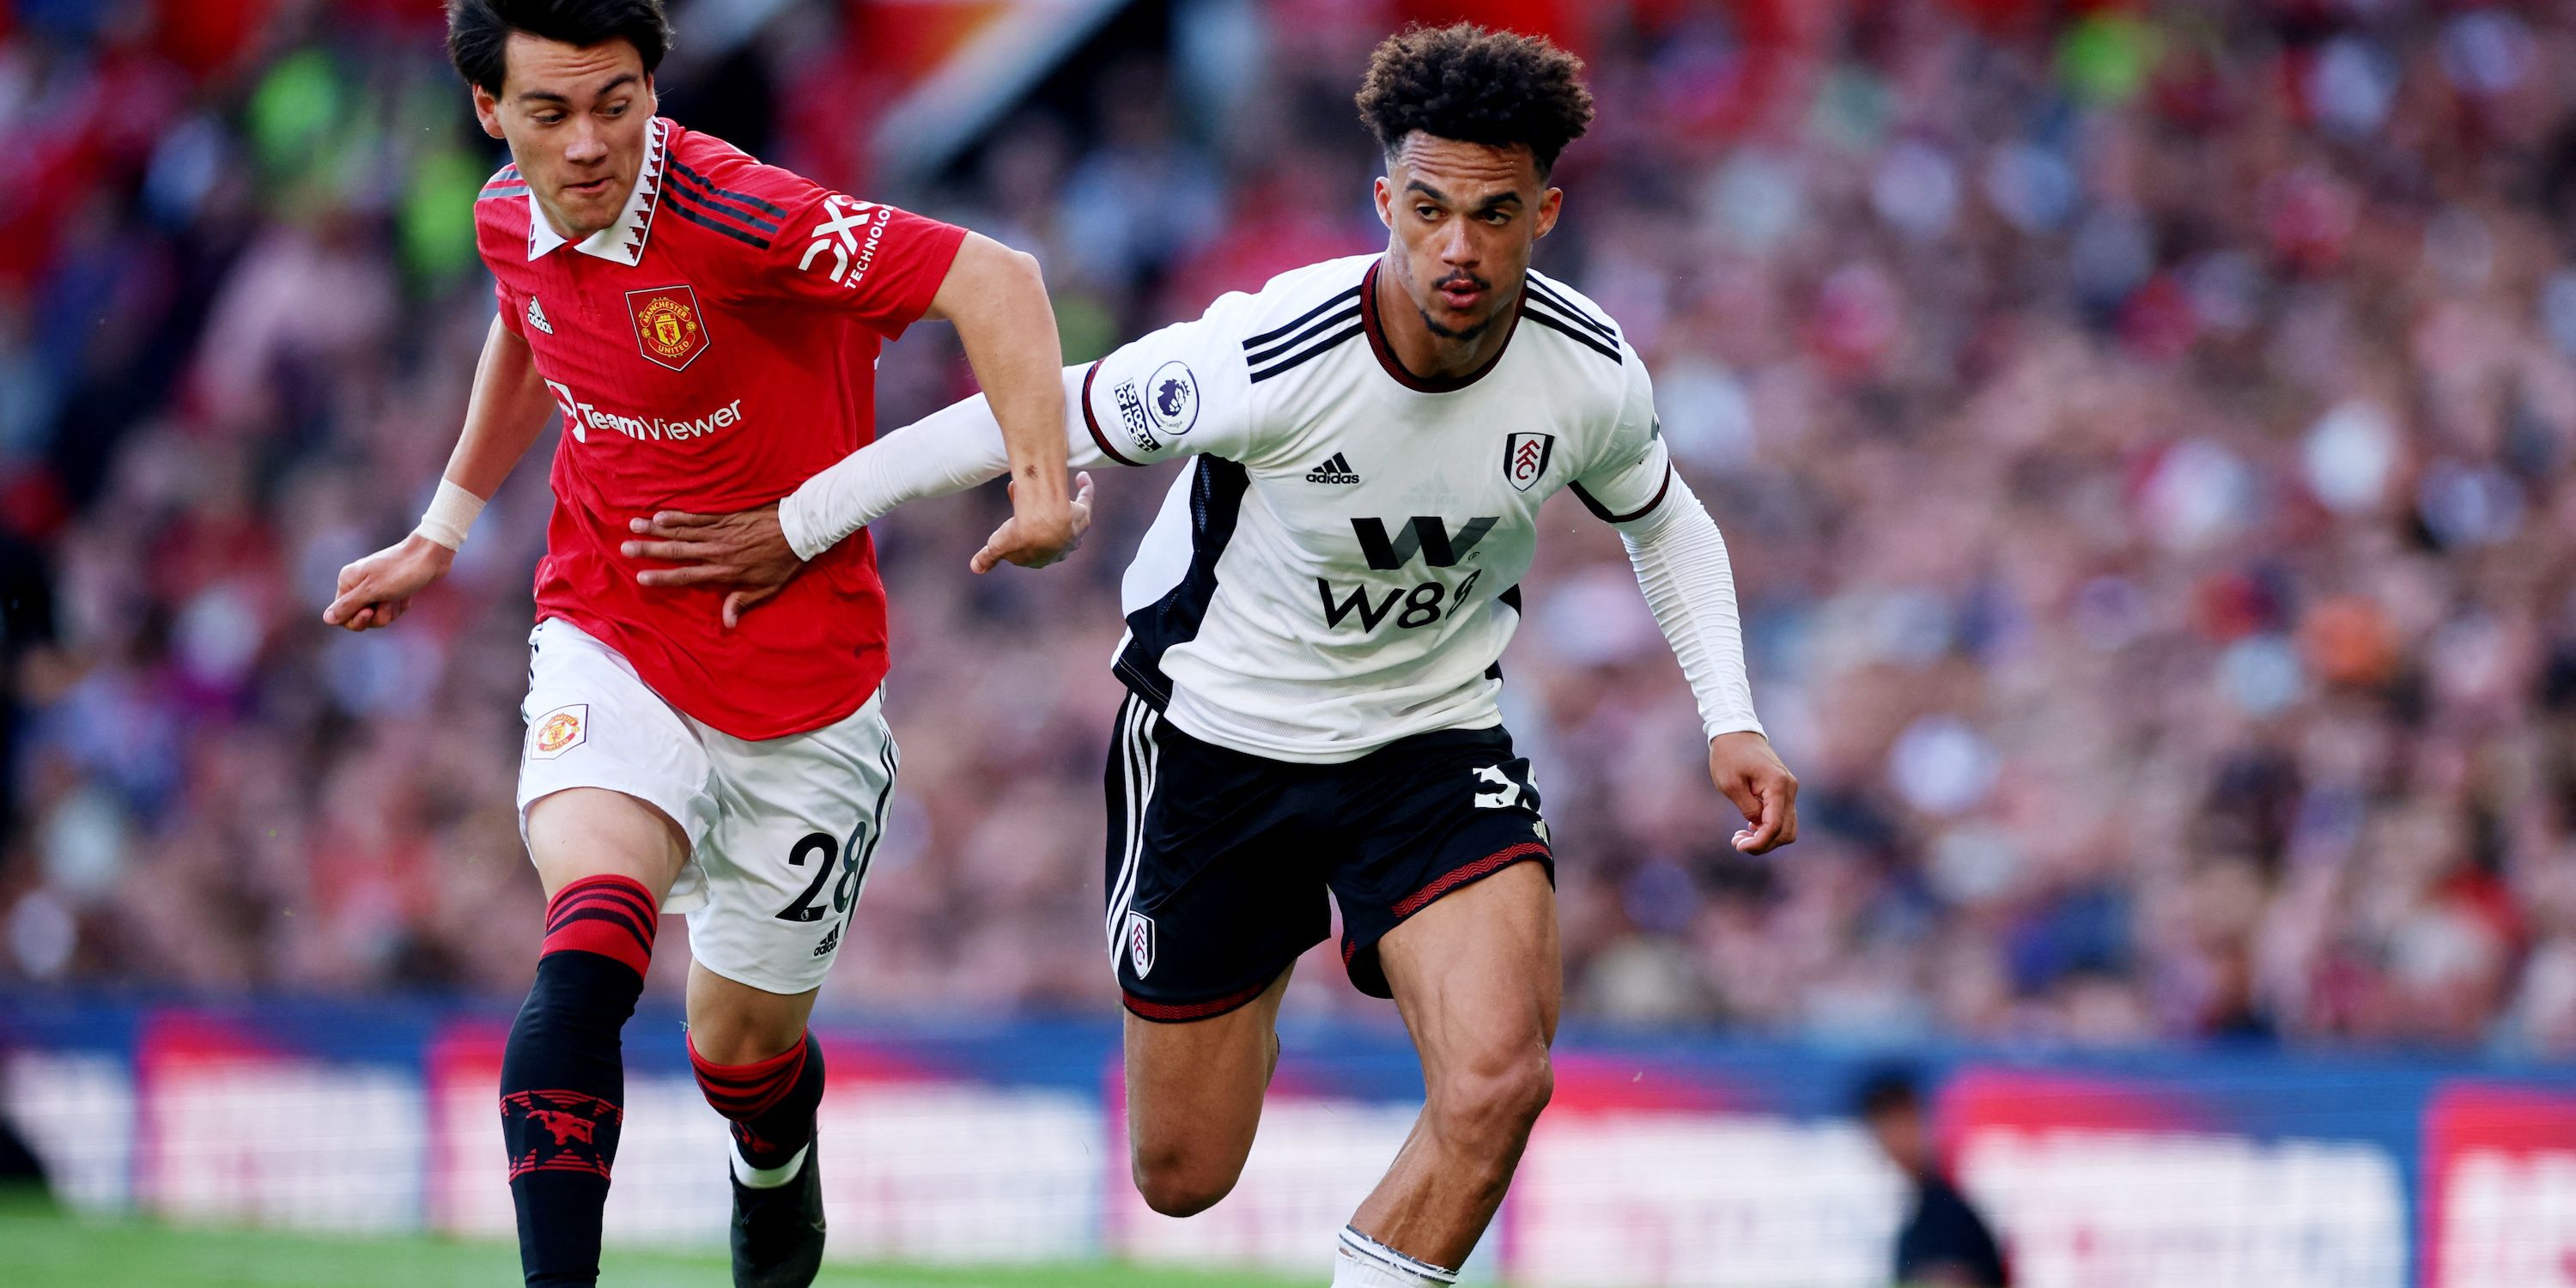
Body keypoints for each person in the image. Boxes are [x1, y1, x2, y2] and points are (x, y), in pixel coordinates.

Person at [627, 22, 1795, 1287]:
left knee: (1503, 1080)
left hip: (1430, 743)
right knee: (1183, 1178)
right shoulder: (1268, 356)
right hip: (1215, 744)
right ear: (1383, 202)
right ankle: (1255, 977)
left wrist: (1729, 714)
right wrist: (799, 525)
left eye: (1496, 214)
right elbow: (1030, 409)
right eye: (1431, 208)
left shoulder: (1590, 371)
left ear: (1548, 212)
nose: (1460, 247)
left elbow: (1666, 518)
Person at [317, 3, 1084, 1285]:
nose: (586, 145)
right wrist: (444, 528)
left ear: (653, 87)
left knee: (741, 1056)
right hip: (609, 633)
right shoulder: (507, 211)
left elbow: (995, 277)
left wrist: (1042, 489)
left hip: (805, 698)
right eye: (550, 112)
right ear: (490, 112)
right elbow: (530, 324)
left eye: (617, 102)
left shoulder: (742, 214)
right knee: (590, 944)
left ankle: (773, 1162)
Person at [1856, 1070, 2012, 1288]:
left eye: (1903, 1122)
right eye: (1885, 1128)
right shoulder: (1911, 1206)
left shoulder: (1946, 1210)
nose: (1897, 1138)